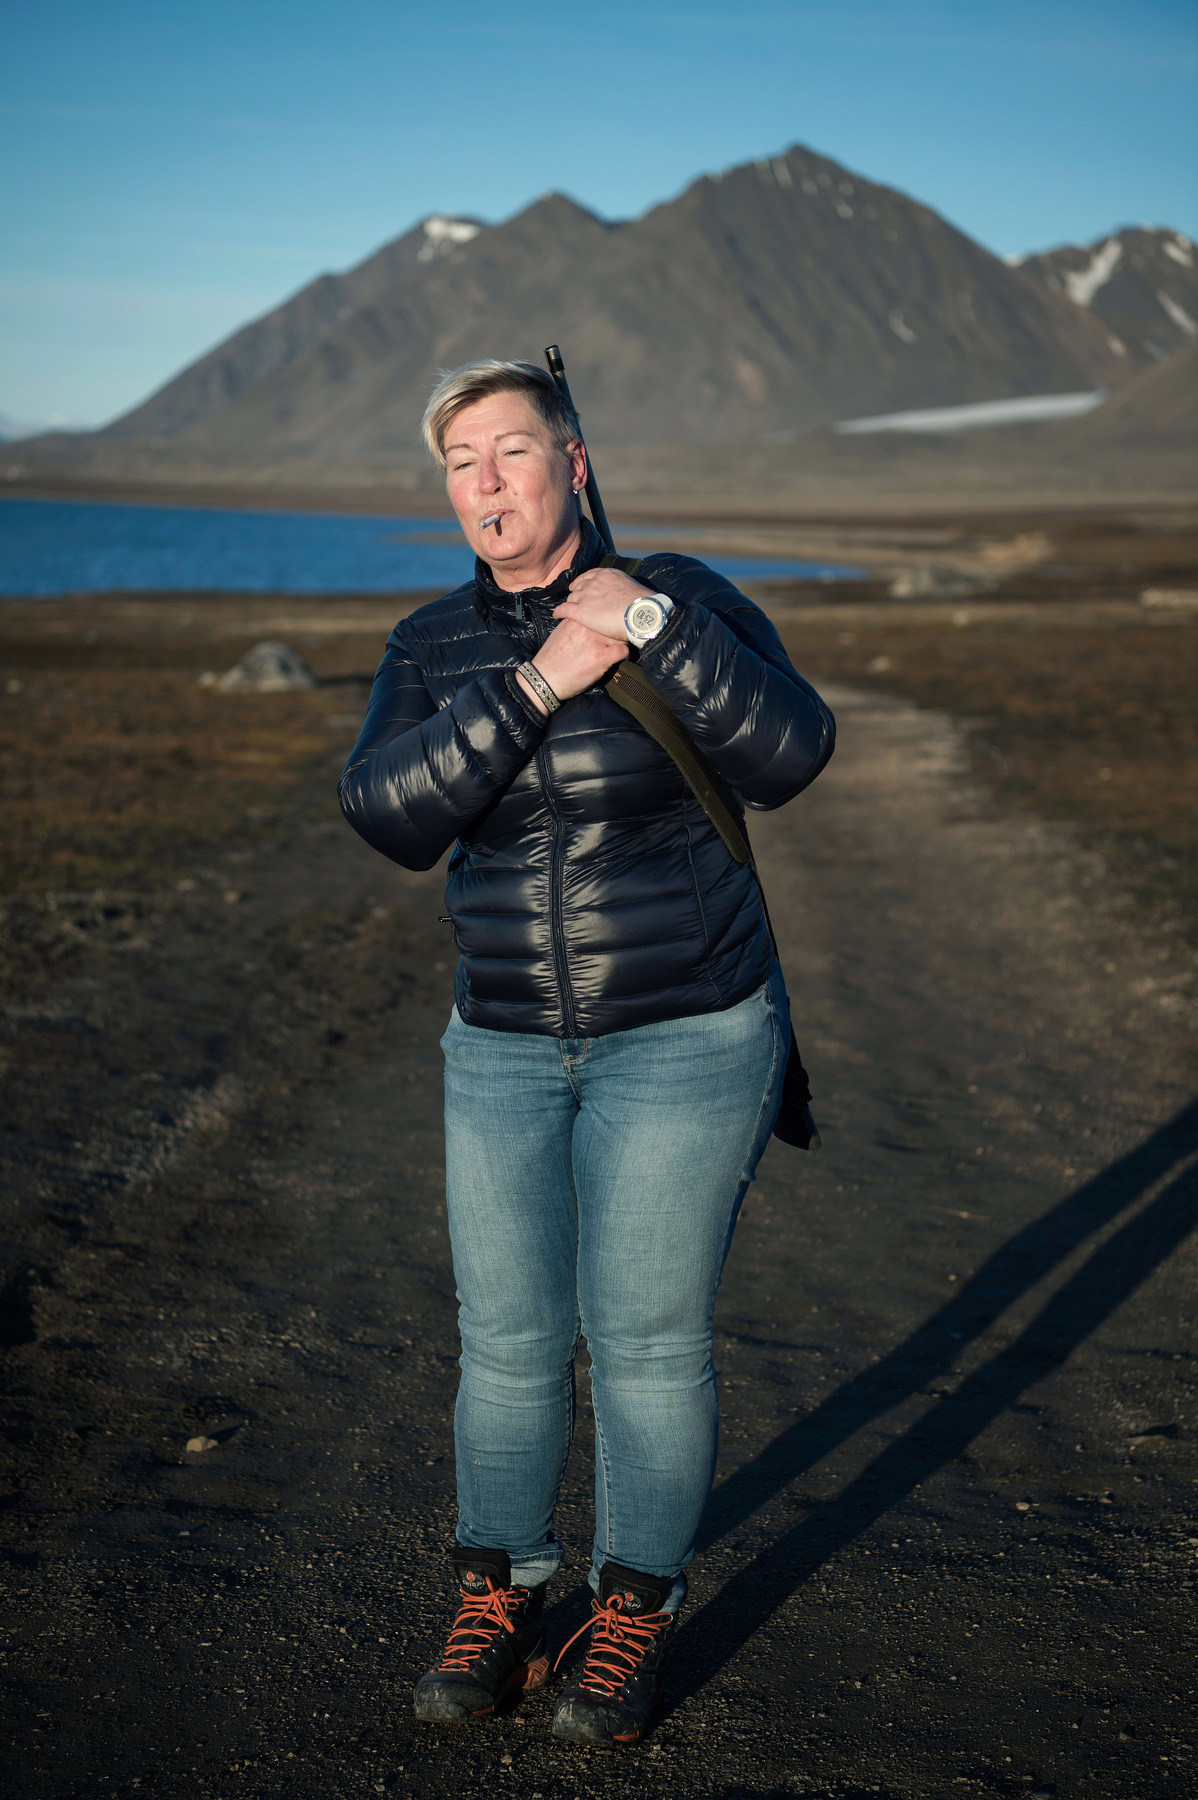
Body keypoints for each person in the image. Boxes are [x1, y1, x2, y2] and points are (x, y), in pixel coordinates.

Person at [339, 359, 835, 1746]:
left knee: (645, 1345)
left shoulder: (680, 592)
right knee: (501, 1344)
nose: (484, 483)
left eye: (508, 451)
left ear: (571, 460)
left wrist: (651, 627)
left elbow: (792, 753)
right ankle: (500, 1595)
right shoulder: (432, 644)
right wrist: (540, 682)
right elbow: (385, 813)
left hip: (685, 1035)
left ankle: (629, 1616)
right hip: (498, 1043)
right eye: (459, 464)